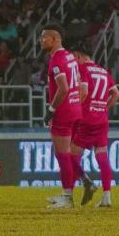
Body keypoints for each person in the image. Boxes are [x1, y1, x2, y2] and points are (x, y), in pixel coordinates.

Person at [70, 42, 119, 208]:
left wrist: (73, 109)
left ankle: (71, 193)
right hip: (101, 120)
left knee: (71, 156)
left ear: (78, 56)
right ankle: (107, 197)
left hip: (85, 119)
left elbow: (83, 92)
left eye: (73, 58)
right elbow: (116, 94)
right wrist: (103, 108)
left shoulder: (82, 69)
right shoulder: (103, 71)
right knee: (102, 157)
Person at [41, 23, 82, 209]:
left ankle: (67, 197)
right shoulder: (70, 56)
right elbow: (78, 82)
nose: (41, 41)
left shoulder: (57, 60)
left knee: (62, 155)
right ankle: (70, 191)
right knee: (68, 154)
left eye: (44, 38)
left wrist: (51, 110)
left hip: (63, 112)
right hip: (75, 109)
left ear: (55, 39)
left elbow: (63, 88)